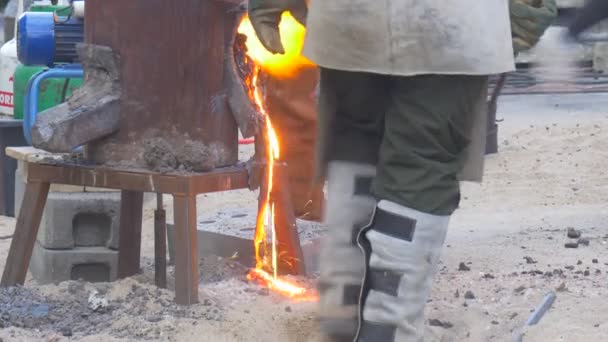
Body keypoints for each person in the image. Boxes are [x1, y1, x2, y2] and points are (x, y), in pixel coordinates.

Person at [248, 1, 555, 341]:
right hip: (447, 25)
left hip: (350, 20)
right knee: (419, 167)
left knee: (356, 153)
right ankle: (386, 330)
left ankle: (342, 324)